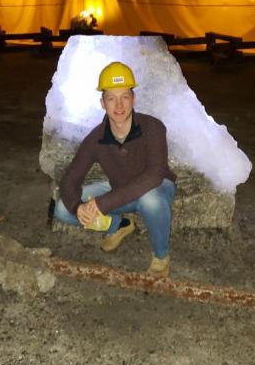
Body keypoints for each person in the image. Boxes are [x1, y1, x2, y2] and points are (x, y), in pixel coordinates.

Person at [54, 61, 176, 277]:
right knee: (63, 209)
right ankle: (117, 225)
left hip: (157, 188)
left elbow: (154, 174)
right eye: (111, 98)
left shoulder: (153, 127)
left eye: (125, 97)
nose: (119, 106)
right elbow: (71, 178)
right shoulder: (96, 138)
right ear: (102, 103)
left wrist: (102, 204)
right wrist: (78, 207)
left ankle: (161, 256)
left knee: (151, 200)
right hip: (120, 191)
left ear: (133, 99)